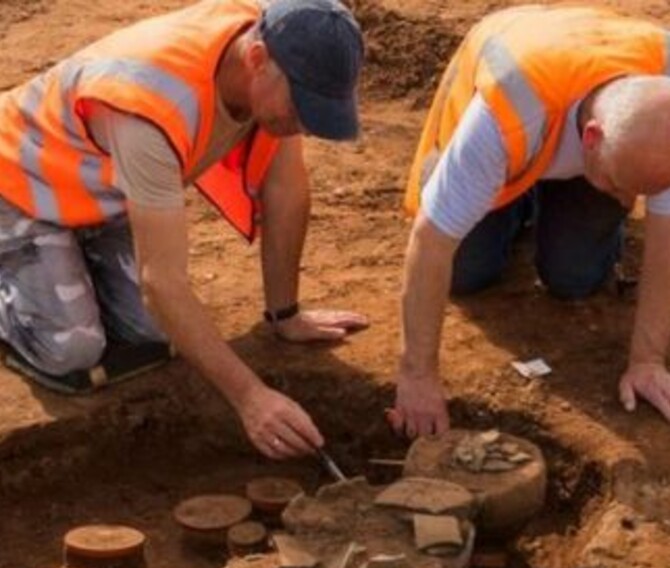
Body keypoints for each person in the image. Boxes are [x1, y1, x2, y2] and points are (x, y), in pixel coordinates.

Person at [0, 0, 368, 459]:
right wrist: (251, 399)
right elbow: (162, 281)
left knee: (153, 331)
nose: (306, 128)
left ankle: (66, 263)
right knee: (73, 350)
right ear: (256, 62)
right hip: (19, 183)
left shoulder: (279, 42)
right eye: (301, 109)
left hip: (102, 189)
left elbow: (285, 188)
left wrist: (285, 314)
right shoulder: (151, 108)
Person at [390, 4, 670, 438]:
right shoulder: (506, 112)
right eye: (620, 186)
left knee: (575, 278)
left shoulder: (660, 123)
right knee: (467, 272)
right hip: (523, 116)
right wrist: (417, 374)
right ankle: (517, 196)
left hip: (586, 125)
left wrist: (648, 359)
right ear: (593, 139)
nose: (624, 199)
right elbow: (430, 239)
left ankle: (550, 196)